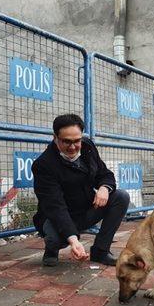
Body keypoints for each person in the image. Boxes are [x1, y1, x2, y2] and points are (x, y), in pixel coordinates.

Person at [32, 114, 130, 267]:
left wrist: (104, 188)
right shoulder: (44, 165)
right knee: (56, 238)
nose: (72, 147)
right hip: (57, 217)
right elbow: (55, 206)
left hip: (85, 210)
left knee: (121, 197)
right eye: (66, 141)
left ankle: (100, 251)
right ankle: (52, 248)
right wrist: (73, 240)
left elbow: (105, 174)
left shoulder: (88, 147)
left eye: (77, 141)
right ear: (55, 138)